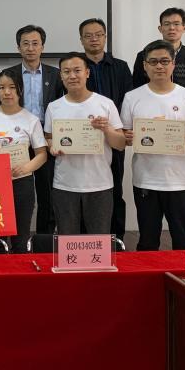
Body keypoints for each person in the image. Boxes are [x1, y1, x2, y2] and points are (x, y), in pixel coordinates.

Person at [120, 40, 185, 252]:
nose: (159, 66)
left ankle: (183, 274)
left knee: (183, 241)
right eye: (153, 61)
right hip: (146, 179)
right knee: (148, 241)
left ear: (173, 64)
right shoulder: (132, 97)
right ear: (145, 66)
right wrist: (127, 137)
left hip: (180, 181)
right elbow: (123, 136)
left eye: (165, 61)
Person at [44, 53, 126, 235]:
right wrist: (51, 147)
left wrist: (107, 129)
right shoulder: (54, 107)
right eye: (66, 72)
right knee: (68, 240)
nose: (72, 76)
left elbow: (120, 144)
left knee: (99, 239)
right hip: (65, 184)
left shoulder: (105, 104)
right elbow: (48, 137)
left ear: (87, 73)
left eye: (77, 70)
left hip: (99, 184)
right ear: (61, 76)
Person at [2, 24, 63, 235]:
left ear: (42, 47)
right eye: (25, 44)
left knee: (47, 192)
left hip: (45, 139)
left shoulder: (55, 75)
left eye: (35, 43)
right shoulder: (8, 75)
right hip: (16, 141)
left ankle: (44, 238)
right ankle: (16, 237)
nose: (30, 48)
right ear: (18, 47)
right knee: (16, 192)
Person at [0, 70, 48, 253]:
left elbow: (42, 154)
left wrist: (26, 168)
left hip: (22, 182)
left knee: (21, 237)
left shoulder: (31, 119)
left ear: (20, 90)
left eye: (11, 87)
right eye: (1, 87)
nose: (7, 92)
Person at [78, 18, 132, 241]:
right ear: (81, 40)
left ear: (105, 37)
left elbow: (128, 101)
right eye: (88, 35)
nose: (94, 39)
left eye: (98, 34)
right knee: (82, 191)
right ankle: (85, 240)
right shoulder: (76, 67)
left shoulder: (120, 67)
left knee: (115, 188)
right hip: (82, 138)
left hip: (113, 136)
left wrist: (122, 131)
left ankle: (115, 240)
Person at [131, 7, 185, 94]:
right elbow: (137, 88)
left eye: (176, 24)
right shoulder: (144, 55)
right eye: (167, 24)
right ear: (160, 28)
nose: (172, 28)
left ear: (184, 28)